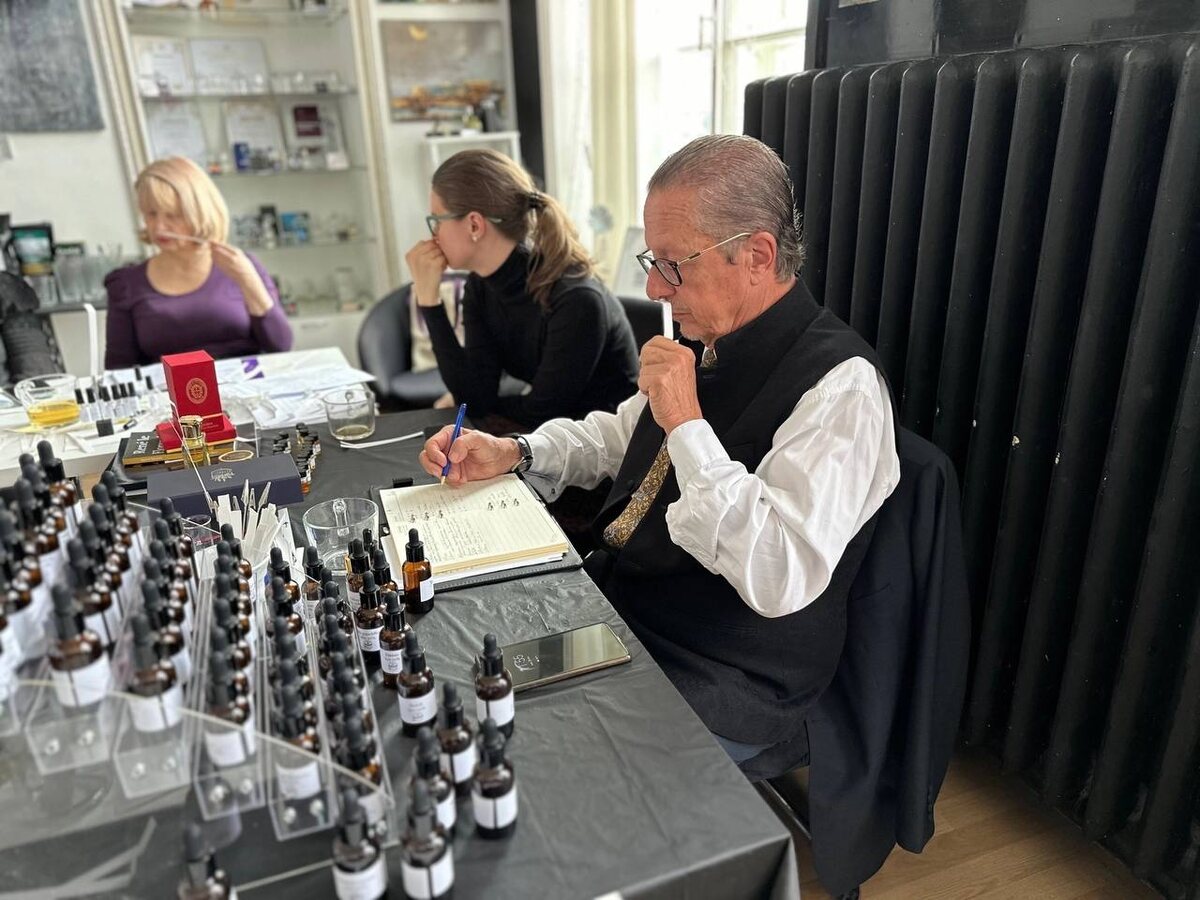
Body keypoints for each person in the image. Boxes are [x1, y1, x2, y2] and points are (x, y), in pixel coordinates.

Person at [419, 135, 901, 768]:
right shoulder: (709, 334)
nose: (652, 287)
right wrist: (516, 451)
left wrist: (687, 423)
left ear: (757, 256)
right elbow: (619, 435)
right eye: (653, 259)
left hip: (719, 668)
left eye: (673, 263)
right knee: (475, 681)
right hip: (621, 613)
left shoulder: (843, 389)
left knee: (541, 755)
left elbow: (778, 574)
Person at [405, 149, 638, 431]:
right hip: (552, 436)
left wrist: (477, 404)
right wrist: (428, 301)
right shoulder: (481, 286)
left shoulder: (577, 300)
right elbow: (476, 395)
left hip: (605, 443)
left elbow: (541, 412)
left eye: (436, 221)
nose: (433, 235)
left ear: (474, 225)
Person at [104, 156, 293, 368]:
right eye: (151, 214)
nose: (159, 227)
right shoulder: (125, 284)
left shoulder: (243, 266)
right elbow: (118, 370)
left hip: (246, 384)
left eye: (172, 215)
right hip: (168, 389)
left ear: (201, 212)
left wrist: (248, 280)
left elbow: (281, 346)